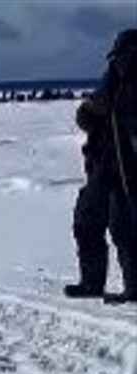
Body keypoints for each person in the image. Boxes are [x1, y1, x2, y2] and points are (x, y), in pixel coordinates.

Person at [67, 29, 136, 302]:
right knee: (87, 222)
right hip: (101, 166)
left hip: (128, 172)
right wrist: (91, 115)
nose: (123, 61)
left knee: (126, 229)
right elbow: (88, 113)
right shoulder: (112, 81)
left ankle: (134, 288)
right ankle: (91, 283)